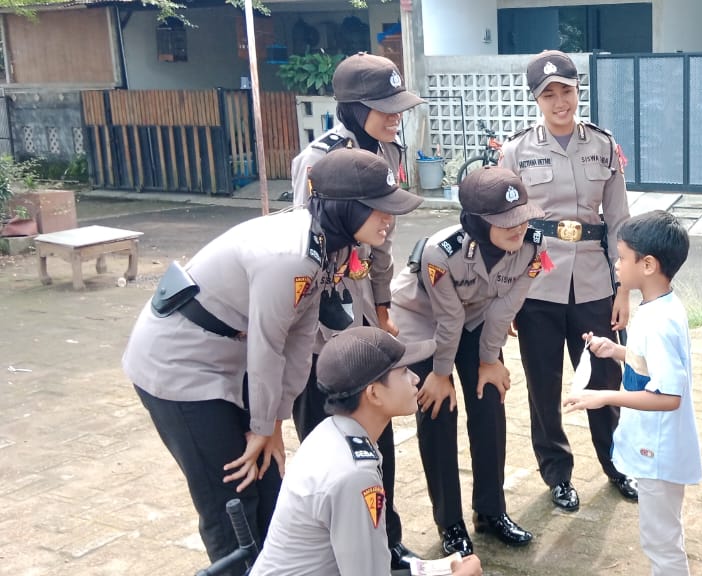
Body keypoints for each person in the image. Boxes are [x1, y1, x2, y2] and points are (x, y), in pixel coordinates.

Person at [123, 148, 423, 563]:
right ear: (344, 208)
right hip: (179, 367)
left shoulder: (330, 243)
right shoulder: (291, 256)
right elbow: (267, 345)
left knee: (268, 485)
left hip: (231, 358)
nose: (389, 219)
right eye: (379, 209)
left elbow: (299, 339)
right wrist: (263, 426)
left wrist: (275, 421)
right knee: (231, 499)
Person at [288, 51, 427, 569]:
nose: (395, 117)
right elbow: (310, 245)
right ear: (349, 108)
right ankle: (335, 545)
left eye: (398, 107)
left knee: (376, 434)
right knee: (330, 440)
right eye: (382, 107)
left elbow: (384, 242)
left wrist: (385, 306)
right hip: (322, 329)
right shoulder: (321, 162)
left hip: (364, 309)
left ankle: (384, 540)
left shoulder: (386, 155)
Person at [499, 49, 638, 511]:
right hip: (537, 284)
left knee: (603, 375)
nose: (561, 102)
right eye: (550, 94)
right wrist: (509, 296)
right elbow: (505, 227)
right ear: (536, 99)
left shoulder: (603, 145)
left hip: (596, 281)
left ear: (579, 91)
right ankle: (557, 473)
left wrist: (624, 290)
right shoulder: (515, 152)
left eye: (568, 91)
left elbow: (619, 220)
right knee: (543, 383)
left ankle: (615, 462)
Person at [389, 166, 544, 555]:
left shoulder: (533, 245)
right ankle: (451, 524)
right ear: (476, 221)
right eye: (504, 221)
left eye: (521, 217)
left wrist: (490, 361)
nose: (517, 228)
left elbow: (506, 305)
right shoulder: (441, 253)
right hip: (422, 323)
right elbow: (446, 319)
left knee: (489, 403)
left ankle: (491, 512)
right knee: (440, 410)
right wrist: (441, 374)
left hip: (476, 316)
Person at [249, 326, 483, 576]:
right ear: (373, 393)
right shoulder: (354, 474)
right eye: (403, 372)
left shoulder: (332, 432)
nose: (415, 378)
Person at [564, 210, 701, 575]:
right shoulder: (662, 308)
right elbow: (651, 365)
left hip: (659, 451)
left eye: (623, 258)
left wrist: (603, 397)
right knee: (661, 538)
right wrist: (616, 351)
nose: (617, 265)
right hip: (657, 448)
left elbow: (670, 396)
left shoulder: (657, 322)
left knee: (661, 544)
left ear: (649, 264)